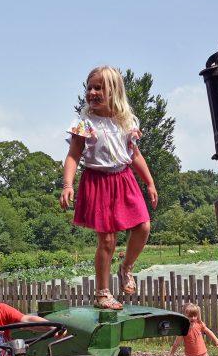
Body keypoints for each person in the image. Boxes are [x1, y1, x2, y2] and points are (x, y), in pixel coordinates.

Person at [59, 66, 158, 310]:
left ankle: (126, 267)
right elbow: (73, 155)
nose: (92, 92)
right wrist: (67, 184)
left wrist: (149, 182)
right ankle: (102, 293)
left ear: (113, 91)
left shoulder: (126, 122)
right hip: (98, 181)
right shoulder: (85, 123)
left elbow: (134, 155)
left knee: (143, 226)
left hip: (124, 179)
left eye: (98, 88)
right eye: (89, 88)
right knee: (107, 241)